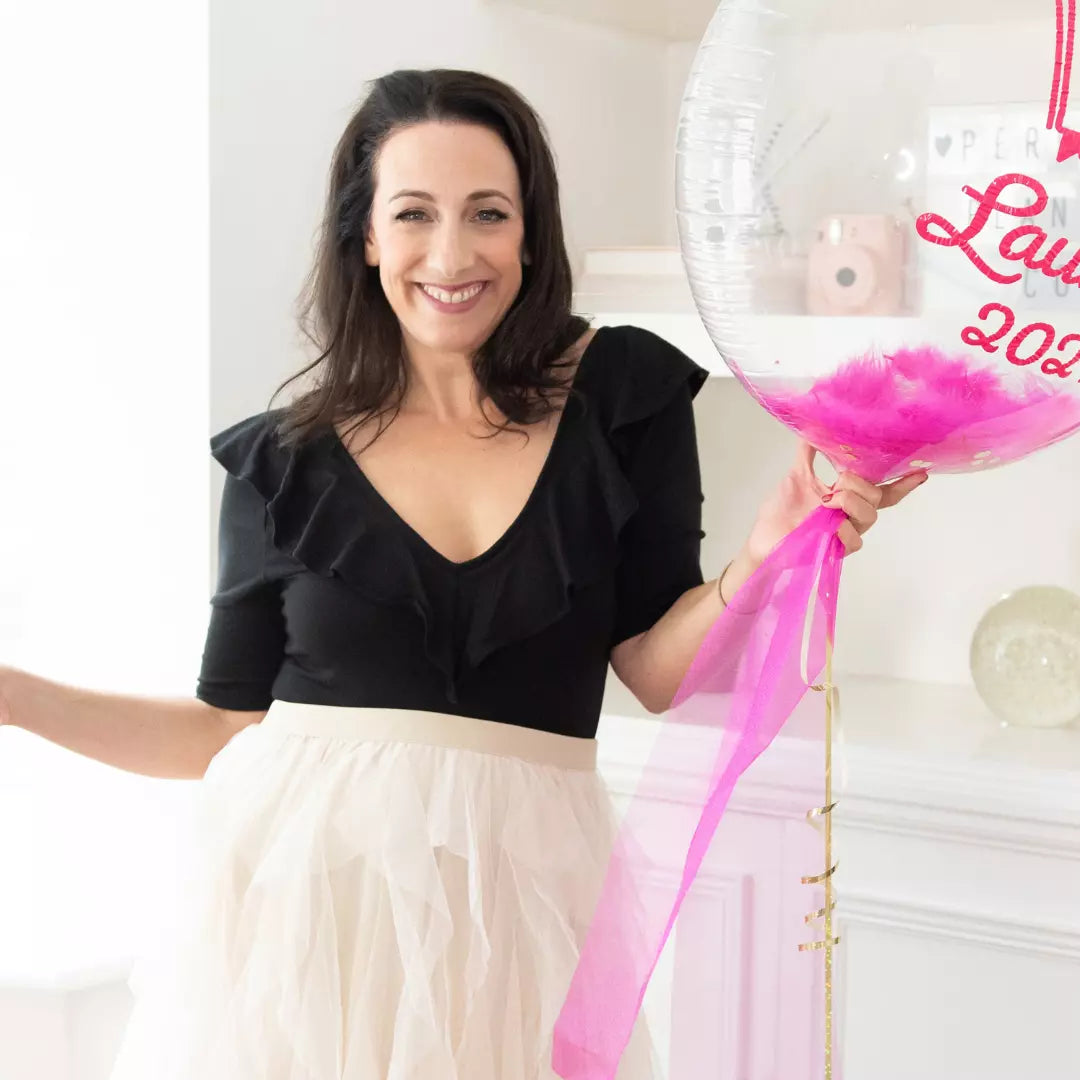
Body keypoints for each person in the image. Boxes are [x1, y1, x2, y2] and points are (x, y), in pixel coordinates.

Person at [0, 68, 925, 1079]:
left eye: (487, 213)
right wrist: (12, 695)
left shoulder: (624, 396)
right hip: (303, 928)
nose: (450, 255)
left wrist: (765, 554)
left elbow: (657, 673)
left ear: (530, 232)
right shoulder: (282, 460)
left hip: (524, 921)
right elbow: (224, 729)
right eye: (413, 214)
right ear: (365, 236)